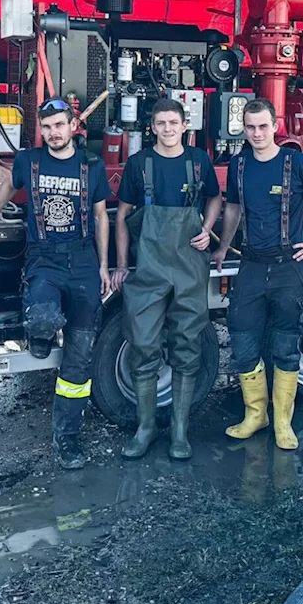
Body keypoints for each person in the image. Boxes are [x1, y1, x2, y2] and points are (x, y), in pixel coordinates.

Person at [0, 97, 112, 469]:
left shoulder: (92, 165)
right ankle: (38, 336)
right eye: (47, 127)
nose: (54, 133)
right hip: (45, 259)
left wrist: (104, 266)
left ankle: (67, 439)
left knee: (79, 358)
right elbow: (7, 188)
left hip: (84, 260)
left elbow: (102, 217)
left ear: (73, 126)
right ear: (40, 130)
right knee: (41, 316)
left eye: (60, 125)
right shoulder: (29, 161)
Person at [210, 98, 303, 450]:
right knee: (242, 342)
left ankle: (283, 422)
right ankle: (256, 415)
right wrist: (224, 247)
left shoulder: (296, 163)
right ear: (244, 127)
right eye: (250, 127)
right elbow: (234, 208)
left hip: (289, 267)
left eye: (263, 127)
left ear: (275, 126)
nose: (256, 133)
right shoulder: (239, 166)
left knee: (287, 347)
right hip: (252, 265)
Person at [111, 98, 222, 460]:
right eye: (161, 123)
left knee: (187, 345)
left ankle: (179, 432)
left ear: (184, 125)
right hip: (148, 266)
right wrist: (122, 264)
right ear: (153, 128)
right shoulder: (139, 164)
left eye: (173, 122)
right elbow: (123, 216)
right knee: (143, 343)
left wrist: (207, 230)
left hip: (189, 262)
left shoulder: (198, 161)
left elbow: (215, 199)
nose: (168, 129)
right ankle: (145, 429)